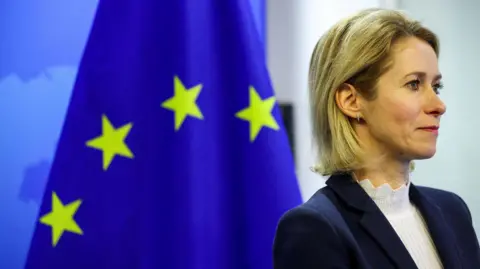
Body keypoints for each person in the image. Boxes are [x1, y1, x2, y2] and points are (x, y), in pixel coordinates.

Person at [273, 8, 480, 269]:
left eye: (436, 86)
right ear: (351, 101)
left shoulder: (453, 211)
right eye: (414, 84)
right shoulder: (314, 228)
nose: (438, 105)